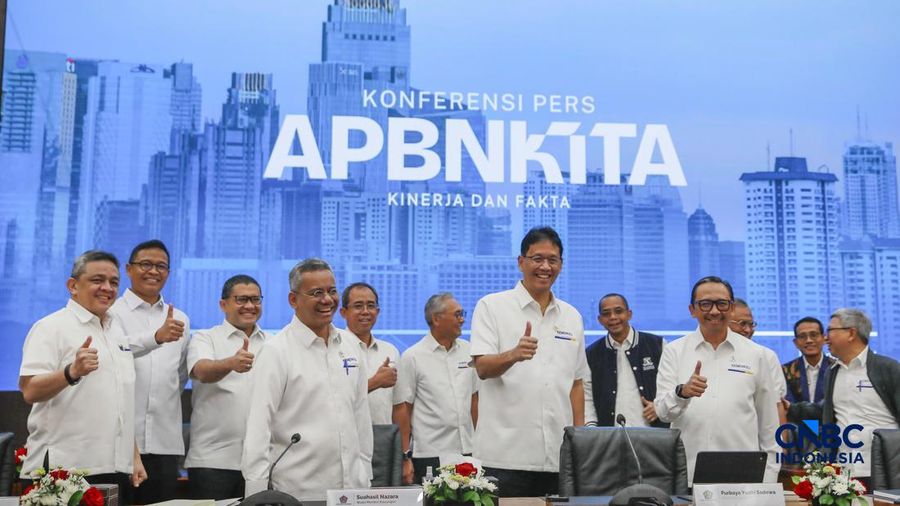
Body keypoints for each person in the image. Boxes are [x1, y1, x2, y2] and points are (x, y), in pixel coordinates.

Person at [18, 250, 146, 503]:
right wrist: (71, 372)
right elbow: (30, 390)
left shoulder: (117, 331)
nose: (107, 288)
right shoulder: (50, 327)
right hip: (63, 471)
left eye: (114, 282)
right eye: (97, 280)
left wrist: (134, 456)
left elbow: (120, 402)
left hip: (115, 469)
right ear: (73, 285)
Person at [469, 226, 587, 497]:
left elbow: (576, 384)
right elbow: (483, 368)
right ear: (521, 262)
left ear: (561, 265)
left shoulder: (572, 316)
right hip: (504, 458)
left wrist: (579, 441)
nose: (545, 266)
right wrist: (513, 354)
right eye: (537, 258)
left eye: (552, 260)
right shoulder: (492, 306)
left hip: (560, 457)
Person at [242, 258, 372, 500]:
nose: (327, 300)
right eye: (316, 293)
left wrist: (365, 475)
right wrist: (257, 496)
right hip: (297, 492)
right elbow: (259, 427)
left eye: (332, 291)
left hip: (353, 490)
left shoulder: (352, 345)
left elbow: (360, 418)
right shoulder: (276, 351)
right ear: (293, 300)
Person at [655, 276, 780, 484]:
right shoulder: (674, 351)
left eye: (721, 304)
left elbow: (769, 425)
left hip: (744, 475)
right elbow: (662, 413)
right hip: (688, 474)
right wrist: (682, 393)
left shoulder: (758, 354)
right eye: (705, 304)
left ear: (731, 308)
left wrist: (769, 476)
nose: (714, 311)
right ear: (692, 310)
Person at [108, 239, 189, 504]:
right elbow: (111, 353)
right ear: (128, 269)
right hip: (118, 443)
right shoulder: (110, 312)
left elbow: (178, 377)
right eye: (146, 264)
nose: (153, 271)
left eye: (161, 266)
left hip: (165, 443)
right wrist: (156, 336)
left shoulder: (181, 319)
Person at [185, 275, 269, 499]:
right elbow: (201, 370)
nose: (250, 306)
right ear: (224, 304)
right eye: (242, 299)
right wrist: (230, 363)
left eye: (255, 299)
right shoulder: (205, 337)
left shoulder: (273, 344)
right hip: (212, 461)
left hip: (262, 463)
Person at [393, 293, 479, 485]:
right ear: (436, 319)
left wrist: (481, 446)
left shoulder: (469, 351)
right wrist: (405, 456)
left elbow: (474, 400)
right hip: (430, 453)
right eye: (457, 314)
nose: (462, 319)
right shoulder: (412, 357)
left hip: (468, 450)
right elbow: (404, 409)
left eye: (462, 314)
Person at [820, 309, 899, 483]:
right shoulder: (831, 373)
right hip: (844, 474)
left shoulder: (888, 368)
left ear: (851, 333)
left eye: (830, 331)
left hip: (886, 472)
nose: (825, 338)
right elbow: (827, 414)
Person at [584, 293, 666, 428]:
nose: (613, 317)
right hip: (609, 438)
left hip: (653, 435)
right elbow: (587, 397)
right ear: (599, 320)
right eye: (606, 313)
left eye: (618, 311)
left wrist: (661, 407)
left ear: (629, 314)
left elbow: (671, 385)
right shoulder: (591, 354)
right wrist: (591, 429)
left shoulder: (657, 345)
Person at [340, 282, 399, 425]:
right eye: (358, 306)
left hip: (384, 438)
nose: (365, 311)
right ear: (343, 312)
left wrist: (402, 447)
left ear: (377, 312)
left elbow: (399, 405)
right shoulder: (333, 348)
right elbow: (333, 400)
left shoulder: (390, 351)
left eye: (371, 306)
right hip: (346, 438)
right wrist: (375, 382)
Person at [728, 298, 788, 424]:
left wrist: (781, 443)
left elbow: (777, 406)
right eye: (742, 324)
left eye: (751, 324)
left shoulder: (766, 356)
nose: (748, 330)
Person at [782, 317, 832, 404]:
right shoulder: (786, 371)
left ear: (824, 338)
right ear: (796, 342)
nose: (809, 340)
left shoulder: (836, 368)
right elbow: (788, 404)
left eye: (814, 335)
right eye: (802, 336)